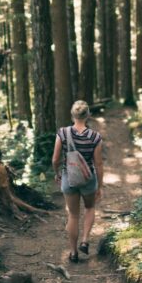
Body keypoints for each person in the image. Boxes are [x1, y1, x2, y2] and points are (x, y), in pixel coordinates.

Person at [52, 101, 104, 262]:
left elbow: (55, 159)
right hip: (88, 179)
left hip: (69, 178)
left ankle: (73, 253)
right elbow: (98, 163)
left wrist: (57, 173)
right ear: (88, 115)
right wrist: (100, 186)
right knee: (89, 208)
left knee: (73, 215)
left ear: (72, 115)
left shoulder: (62, 133)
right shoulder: (95, 137)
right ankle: (85, 240)